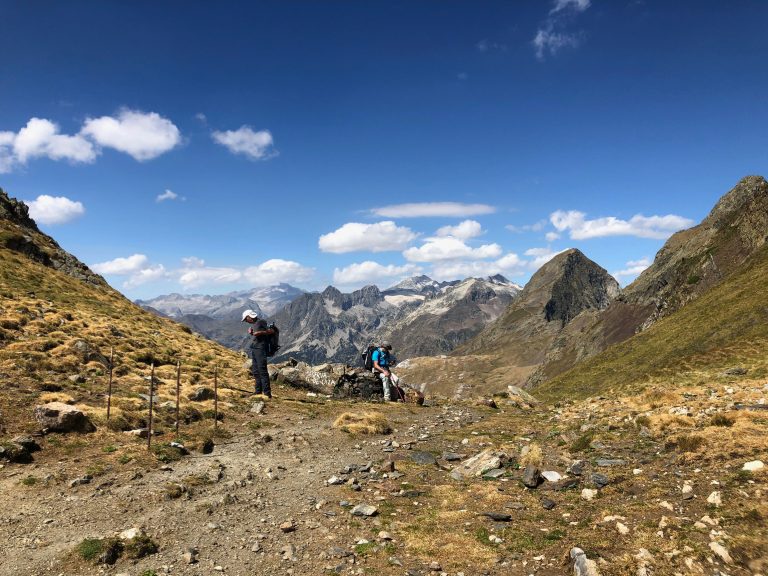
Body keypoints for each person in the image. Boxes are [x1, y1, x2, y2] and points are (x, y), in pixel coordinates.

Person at [242, 309, 274, 398]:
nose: (245, 321)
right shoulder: (255, 324)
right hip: (255, 349)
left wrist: (260, 332)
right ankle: (258, 391)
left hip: (261, 349)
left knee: (262, 371)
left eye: (245, 319)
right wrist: (252, 333)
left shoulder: (261, 322)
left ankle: (267, 394)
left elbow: (271, 331)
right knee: (256, 371)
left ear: (249, 317)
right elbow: (258, 336)